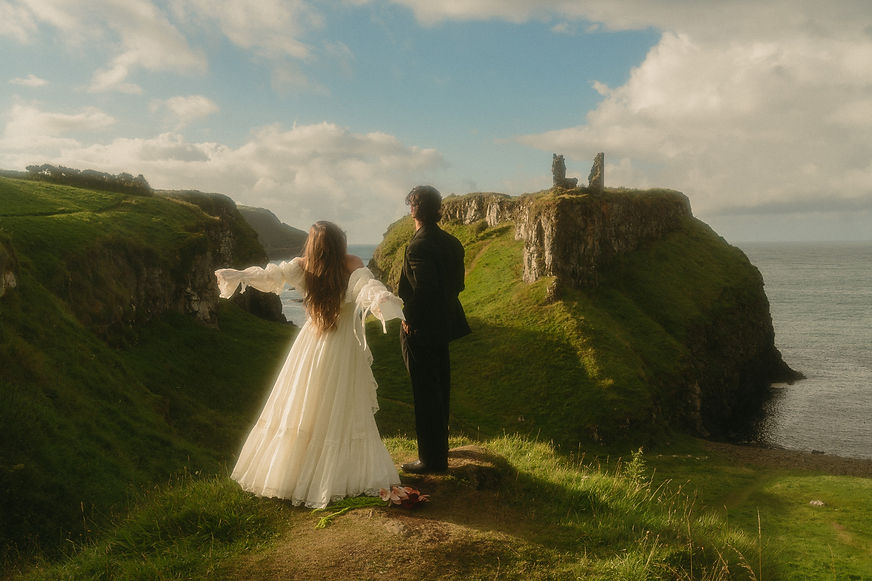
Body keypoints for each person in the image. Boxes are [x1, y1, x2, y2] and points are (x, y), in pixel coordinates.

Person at [214, 221, 403, 508]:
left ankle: (291, 474)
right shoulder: (350, 263)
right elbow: (366, 288)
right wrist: (382, 299)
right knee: (340, 404)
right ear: (340, 243)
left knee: (304, 402)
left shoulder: (304, 265)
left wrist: (239, 275)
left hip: (311, 342)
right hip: (340, 346)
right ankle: (335, 475)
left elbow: (270, 275)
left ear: (312, 245)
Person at [398, 185, 471, 474]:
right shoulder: (453, 242)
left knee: (424, 392)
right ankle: (438, 452)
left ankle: (431, 460)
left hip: (421, 328)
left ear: (415, 209)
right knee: (440, 389)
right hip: (444, 324)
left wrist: (409, 319)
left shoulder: (418, 245)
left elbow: (425, 288)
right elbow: (458, 285)